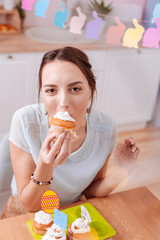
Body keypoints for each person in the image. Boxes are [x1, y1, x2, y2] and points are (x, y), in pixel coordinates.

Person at [0, 46, 140, 218]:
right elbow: (31, 205)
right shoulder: (25, 122)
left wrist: (123, 170)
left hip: (73, 209)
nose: (63, 103)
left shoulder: (106, 128)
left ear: (91, 90)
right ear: (42, 93)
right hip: (24, 212)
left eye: (75, 89)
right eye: (51, 90)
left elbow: (90, 192)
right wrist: (46, 166)